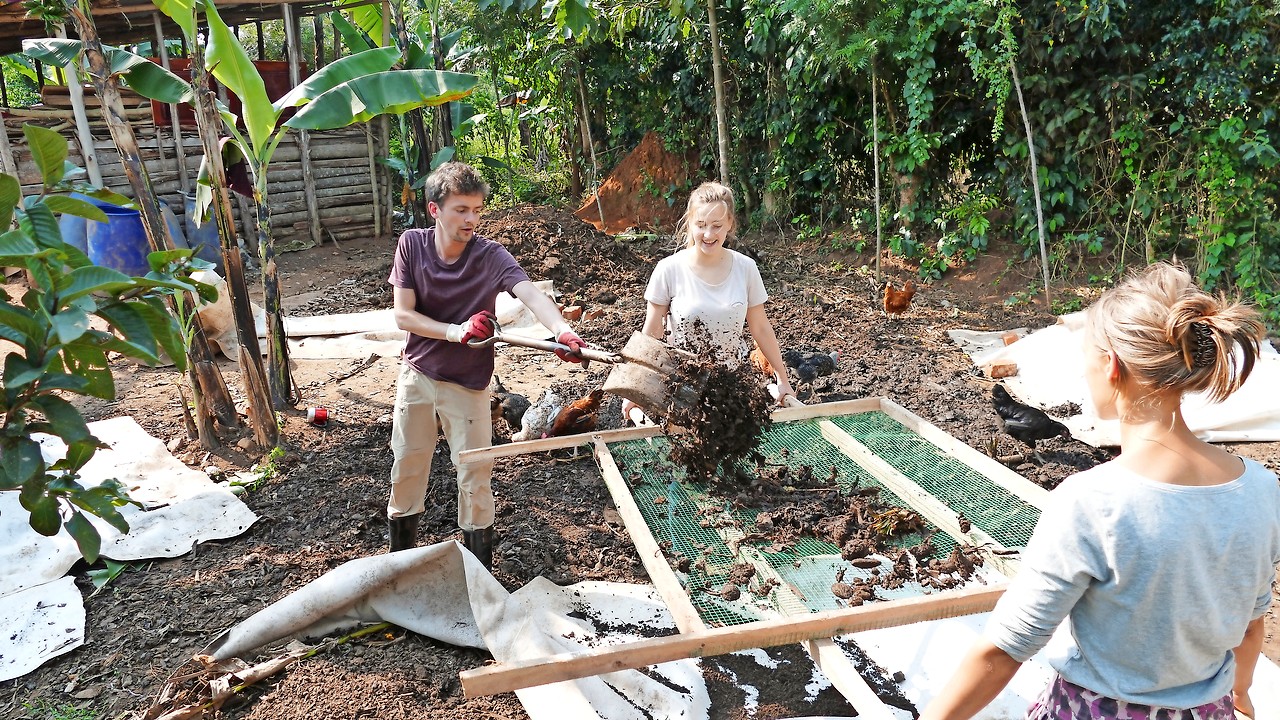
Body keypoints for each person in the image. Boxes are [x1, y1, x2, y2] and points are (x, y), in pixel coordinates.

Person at [920, 262, 1279, 720]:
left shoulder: (1092, 501)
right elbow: (1250, 626)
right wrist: (1241, 693)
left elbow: (1003, 651)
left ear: (1110, 366)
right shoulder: (1262, 489)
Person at [386, 161, 588, 567]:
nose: (471, 219)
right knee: (407, 468)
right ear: (434, 210)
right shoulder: (412, 245)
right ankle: (397, 568)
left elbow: (529, 293)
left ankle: (482, 578)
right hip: (419, 377)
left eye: (477, 210)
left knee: (476, 480)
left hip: (469, 386)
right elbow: (403, 315)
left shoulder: (490, 256)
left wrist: (561, 331)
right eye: (461, 209)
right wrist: (456, 331)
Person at [620, 181, 795, 423]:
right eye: (701, 225)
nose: (709, 234)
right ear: (690, 223)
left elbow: (761, 328)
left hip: (733, 383)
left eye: (717, 226)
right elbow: (651, 331)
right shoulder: (669, 270)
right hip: (683, 385)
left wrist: (782, 379)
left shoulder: (746, 269)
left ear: (730, 224)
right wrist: (634, 388)